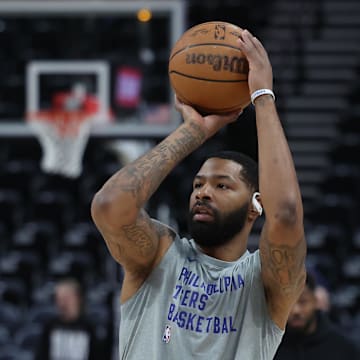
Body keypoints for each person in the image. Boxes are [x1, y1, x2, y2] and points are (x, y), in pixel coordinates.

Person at [91, 29, 307, 359]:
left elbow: (287, 214)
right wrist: (192, 133)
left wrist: (262, 95)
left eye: (222, 185)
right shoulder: (158, 256)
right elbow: (109, 206)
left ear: (256, 206)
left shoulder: (264, 282)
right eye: (198, 184)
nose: (203, 192)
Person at [273, 272, 360, 359]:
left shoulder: (344, 348)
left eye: (303, 302)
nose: (296, 310)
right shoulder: (271, 348)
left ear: (315, 301)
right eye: (289, 304)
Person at [35, 278, 99, 360]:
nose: (62, 303)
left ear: (77, 299)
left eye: (66, 298)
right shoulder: (50, 327)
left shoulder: (89, 328)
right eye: (59, 299)